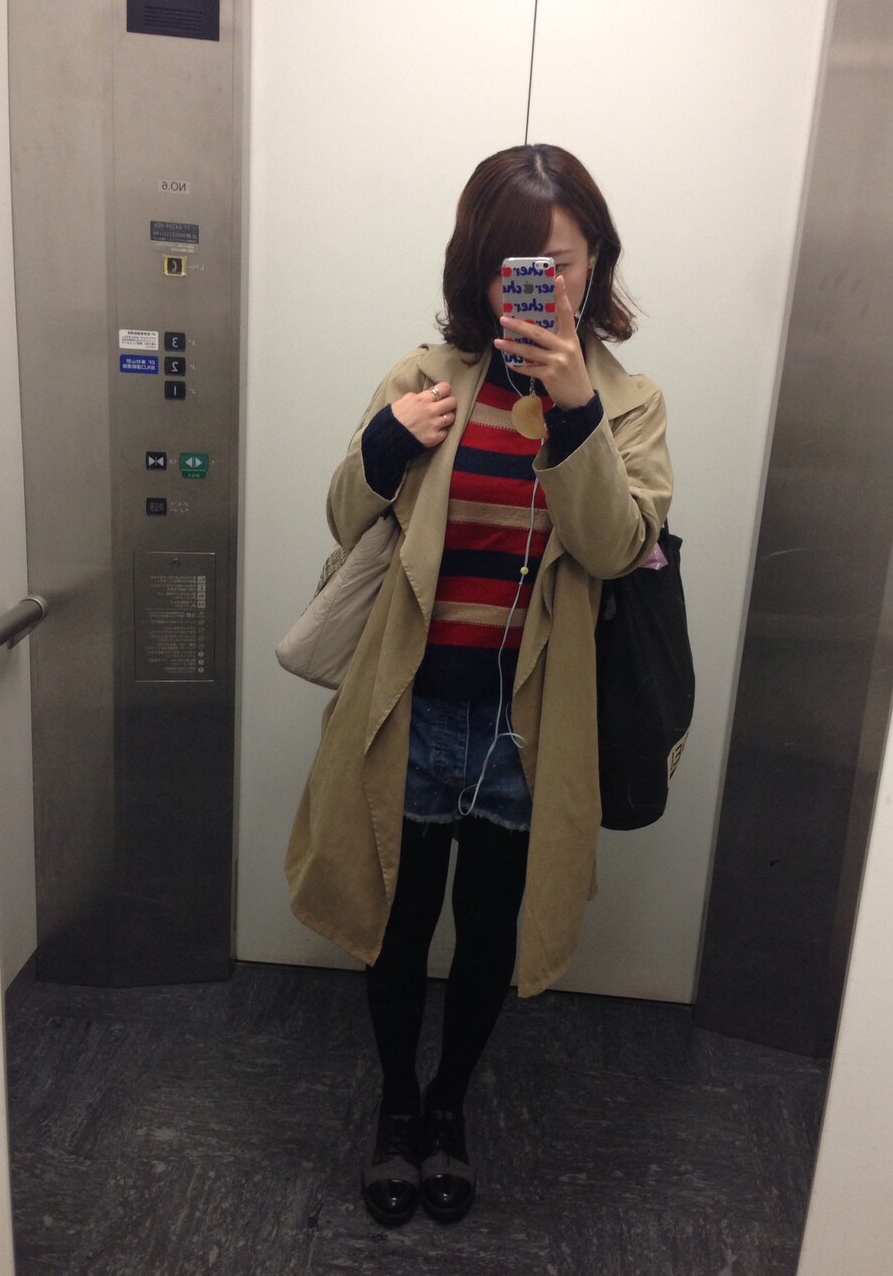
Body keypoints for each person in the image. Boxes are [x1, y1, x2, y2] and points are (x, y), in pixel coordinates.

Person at [285, 144, 673, 1226]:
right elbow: (343, 518)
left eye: (561, 261)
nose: (538, 282)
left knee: (489, 927)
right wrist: (383, 442)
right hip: (412, 708)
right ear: (478, 265)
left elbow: (613, 546)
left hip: (529, 724)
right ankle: (395, 1107)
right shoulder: (423, 378)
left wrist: (575, 408)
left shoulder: (628, 403)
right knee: (398, 920)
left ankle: (451, 1105)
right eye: (516, 263)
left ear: (593, 263)